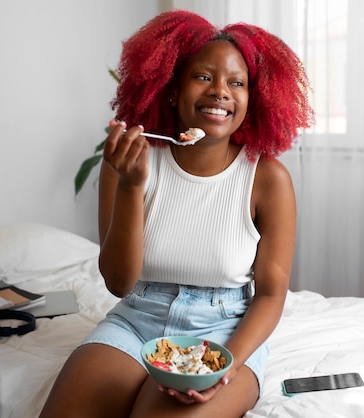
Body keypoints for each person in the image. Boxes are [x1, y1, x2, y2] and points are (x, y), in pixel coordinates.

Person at [40, 9, 313, 418]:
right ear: (171, 89)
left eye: (236, 83)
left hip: (222, 332)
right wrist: (131, 186)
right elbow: (118, 282)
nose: (221, 91)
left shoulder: (268, 179)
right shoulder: (129, 163)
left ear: (251, 99)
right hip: (135, 320)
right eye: (203, 77)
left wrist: (225, 367)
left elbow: (271, 296)